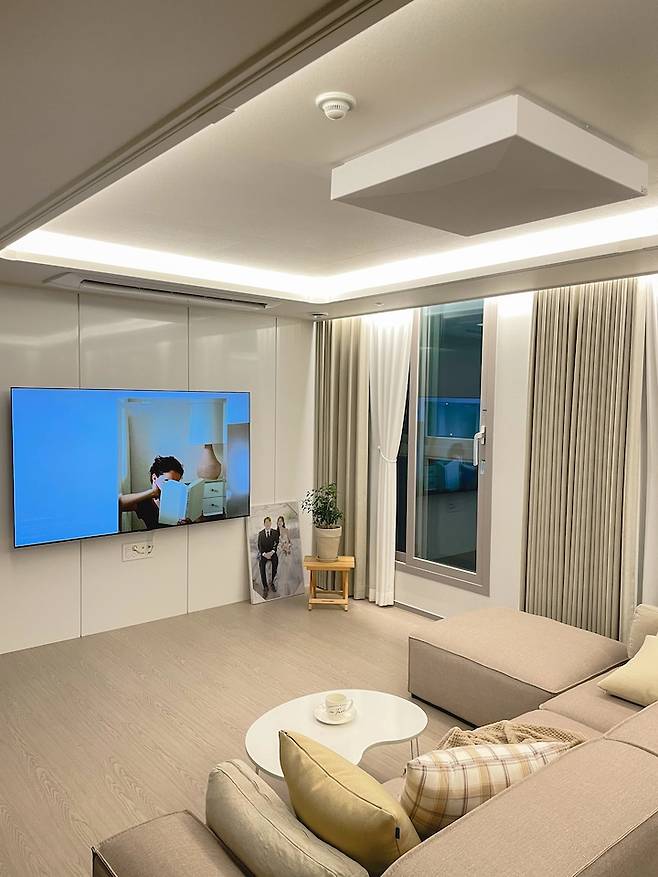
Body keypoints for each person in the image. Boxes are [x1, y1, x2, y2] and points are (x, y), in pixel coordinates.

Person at [118, 455, 186, 530]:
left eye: (176, 483)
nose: (172, 487)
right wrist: (153, 492)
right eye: (168, 481)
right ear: (154, 478)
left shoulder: (180, 498)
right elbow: (118, 503)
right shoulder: (146, 502)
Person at [257, 516, 279, 599]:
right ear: (264, 524)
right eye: (266, 522)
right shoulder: (261, 534)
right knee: (261, 566)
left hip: (272, 553)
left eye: (269, 522)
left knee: (275, 563)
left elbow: (276, 543)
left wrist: (272, 552)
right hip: (264, 554)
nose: (267, 524)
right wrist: (264, 554)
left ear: (271, 523)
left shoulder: (275, 532)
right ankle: (265, 587)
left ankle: (272, 582)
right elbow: (259, 546)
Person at [275, 515, 294, 596]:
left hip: (287, 550)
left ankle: (287, 585)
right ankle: (281, 586)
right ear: (277, 522)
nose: (280, 522)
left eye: (281, 521)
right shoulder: (275, 532)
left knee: (287, 568)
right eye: (278, 521)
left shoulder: (286, 530)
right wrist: (281, 548)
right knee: (280, 568)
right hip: (279, 551)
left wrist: (287, 547)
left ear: (283, 522)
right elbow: (276, 544)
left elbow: (290, 542)